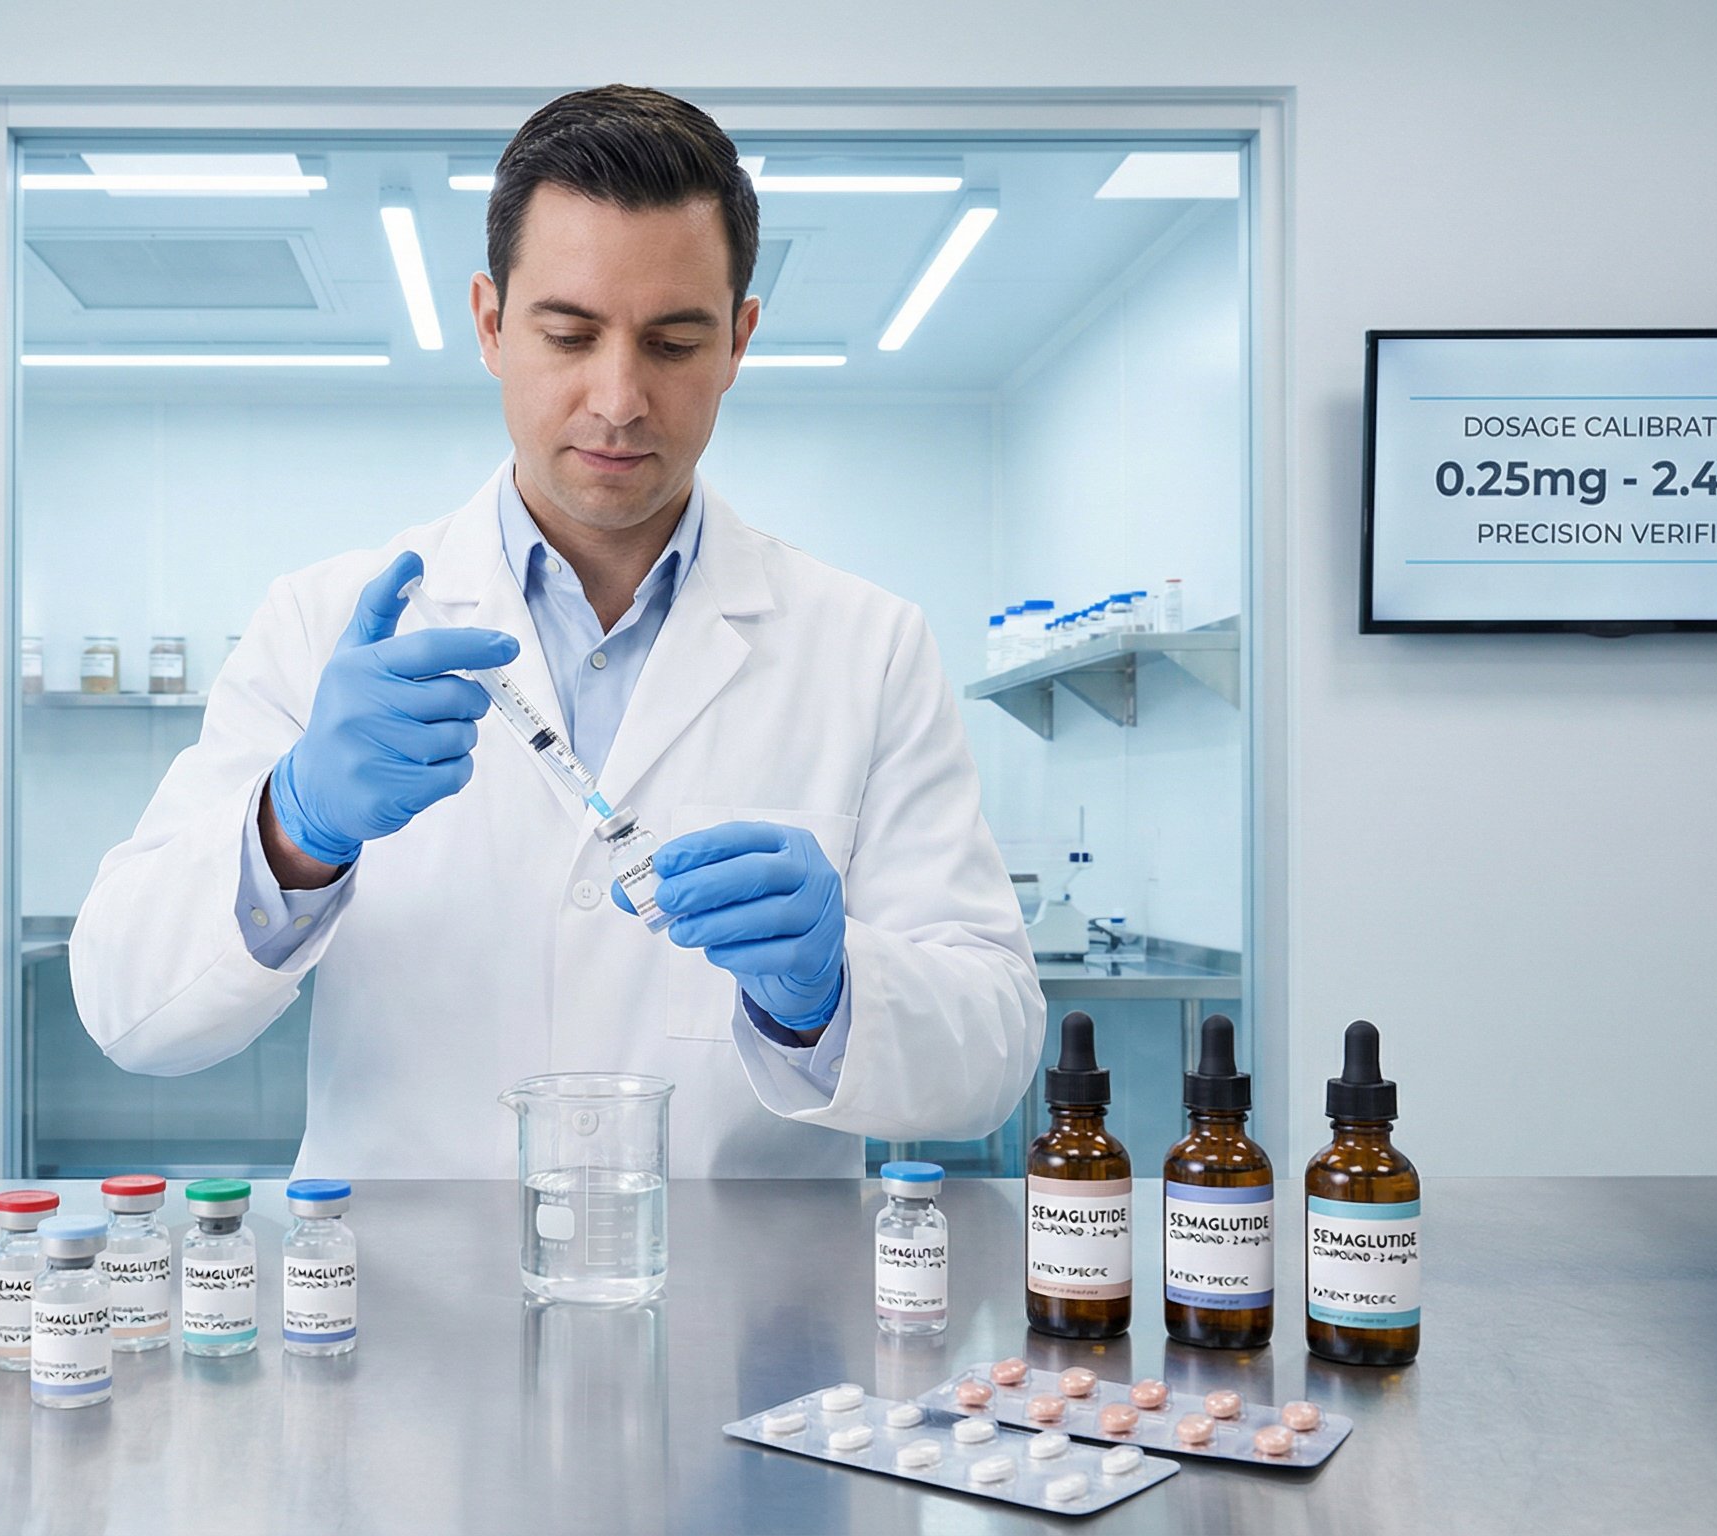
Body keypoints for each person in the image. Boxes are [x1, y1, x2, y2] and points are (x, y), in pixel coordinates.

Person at [72, 85, 1042, 1177]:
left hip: (740, 1283)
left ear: (738, 341)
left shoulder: (867, 648)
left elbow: (994, 1050)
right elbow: (127, 1008)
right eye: (569, 334)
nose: (619, 399)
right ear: (491, 324)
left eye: (673, 342)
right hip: (401, 1277)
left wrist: (830, 992)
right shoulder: (319, 624)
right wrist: (294, 829)